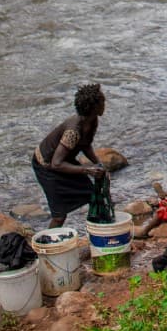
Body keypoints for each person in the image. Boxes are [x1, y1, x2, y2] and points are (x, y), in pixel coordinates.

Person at [32, 83, 107, 228]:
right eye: (102, 102)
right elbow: (56, 164)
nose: (105, 105)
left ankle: (98, 232)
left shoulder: (92, 121)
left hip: (64, 162)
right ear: (94, 107)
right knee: (59, 216)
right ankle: (47, 245)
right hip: (46, 167)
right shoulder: (73, 131)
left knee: (91, 194)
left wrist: (98, 163)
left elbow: (85, 145)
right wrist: (87, 169)